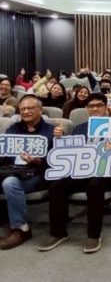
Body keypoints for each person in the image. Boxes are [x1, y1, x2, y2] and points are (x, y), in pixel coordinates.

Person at [37, 93, 111, 254]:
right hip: (80, 170)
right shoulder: (80, 128)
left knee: (95, 185)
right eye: (91, 106)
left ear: (106, 107)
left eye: (99, 105)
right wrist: (60, 138)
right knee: (56, 186)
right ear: (87, 109)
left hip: (105, 170)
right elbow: (70, 150)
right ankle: (58, 233)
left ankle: (94, 235)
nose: (95, 109)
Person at [0, 95, 62, 250]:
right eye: (22, 109)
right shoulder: (13, 129)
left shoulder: (52, 131)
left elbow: (59, 160)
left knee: (10, 183)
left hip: (37, 173)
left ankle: (21, 229)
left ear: (40, 110)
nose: (26, 111)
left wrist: (38, 161)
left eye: (30, 108)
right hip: (12, 170)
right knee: (9, 179)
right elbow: (4, 156)